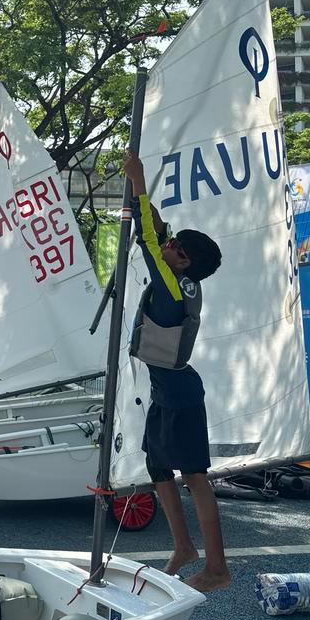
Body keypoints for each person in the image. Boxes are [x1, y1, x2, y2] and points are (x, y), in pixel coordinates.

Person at [123, 150, 229, 593]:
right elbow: (158, 231)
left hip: (180, 394)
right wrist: (145, 203)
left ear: (182, 261)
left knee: (194, 476)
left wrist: (138, 179)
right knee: (158, 467)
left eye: (176, 247)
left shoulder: (171, 285)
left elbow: (148, 240)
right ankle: (184, 548)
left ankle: (218, 569)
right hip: (167, 390)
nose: (168, 245)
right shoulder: (181, 277)